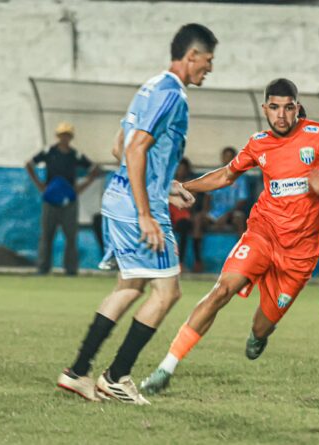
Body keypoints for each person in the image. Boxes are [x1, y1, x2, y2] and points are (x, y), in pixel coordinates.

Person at [139, 78, 319, 395]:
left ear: (297, 107)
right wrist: (185, 186)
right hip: (262, 235)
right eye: (274, 108)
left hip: (299, 255)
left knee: (262, 325)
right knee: (222, 290)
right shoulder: (258, 144)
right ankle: (166, 368)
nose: (281, 115)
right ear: (265, 109)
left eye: (288, 108)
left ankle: (259, 335)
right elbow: (225, 174)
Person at [55, 23, 217, 405]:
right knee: (168, 292)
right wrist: (147, 212)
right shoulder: (172, 95)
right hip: (136, 207)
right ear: (191, 56)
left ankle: (78, 372)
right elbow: (135, 149)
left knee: (130, 286)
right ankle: (116, 375)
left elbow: (119, 145)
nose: (209, 69)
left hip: (121, 197)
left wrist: (167, 186)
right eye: (208, 61)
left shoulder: (150, 86)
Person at [26, 122, 101, 275]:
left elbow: (94, 169)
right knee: (47, 235)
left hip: (69, 200)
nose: (64, 138)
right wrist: (40, 185)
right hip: (50, 199)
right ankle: (43, 268)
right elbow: (29, 164)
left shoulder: (75, 155)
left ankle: (71, 270)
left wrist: (82, 186)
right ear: (57, 136)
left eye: (67, 135)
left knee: (71, 236)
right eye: (62, 135)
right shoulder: (49, 152)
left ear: (71, 137)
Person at [191, 146, 250, 271]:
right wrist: (205, 212)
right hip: (215, 213)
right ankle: (198, 261)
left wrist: (227, 215)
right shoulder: (216, 175)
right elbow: (208, 196)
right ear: (222, 158)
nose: (228, 160)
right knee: (198, 219)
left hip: (232, 213)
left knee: (239, 219)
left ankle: (242, 262)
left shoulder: (241, 177)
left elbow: (242, 201)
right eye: (225, 157)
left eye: (230, 157)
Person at [170, 157, 201, 271]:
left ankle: (182, 263)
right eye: (179, 168)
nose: (181, 171)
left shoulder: (191, 184)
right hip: (168, 214)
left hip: (183, 216)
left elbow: (192, 202)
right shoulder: (169, 182)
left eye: (183, 169)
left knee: (185, 226)